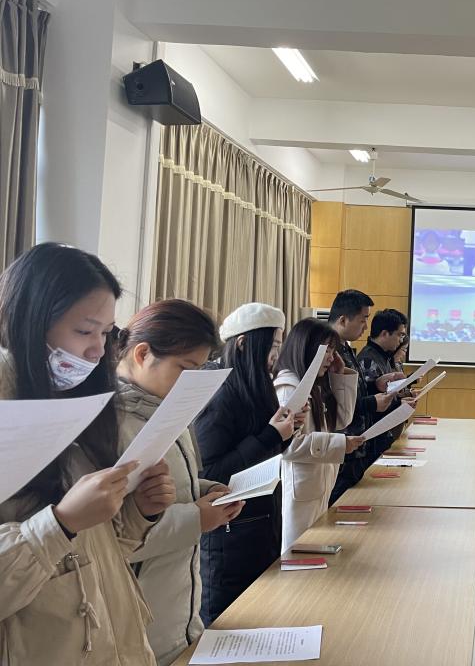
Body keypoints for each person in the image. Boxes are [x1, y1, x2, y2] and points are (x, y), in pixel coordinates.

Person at [0, 243, 175, 665]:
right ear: (29, 321)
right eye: (84, 331)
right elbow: (59, 537)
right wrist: (61, 522)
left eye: (106, 333)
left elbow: (98, 553)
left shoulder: (73, 410)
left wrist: (139, 511)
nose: (98, 351)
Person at [115, 299, 244, 665]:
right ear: (143, 354)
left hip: (181, 615)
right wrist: (197, 519)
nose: (192, 382)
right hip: (140, 627)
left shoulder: (167, 411)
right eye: (185, 368)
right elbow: (110, 539)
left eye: (199, 370)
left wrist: (205, 490)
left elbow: (169, 487)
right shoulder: (111, 425)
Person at [194, 303, 299, 625]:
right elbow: (209, 473)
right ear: (243, 344)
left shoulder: (255, 386)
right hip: (230, 536)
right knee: (226, 624)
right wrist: (270, 435)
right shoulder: (221, 393)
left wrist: (285, 432)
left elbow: (263, 454)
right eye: (272, 346)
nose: (276, 356)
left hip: (261, 525)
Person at [275, 318, 363, 553]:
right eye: (327, 351)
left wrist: (340, 375)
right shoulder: (289, 387)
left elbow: (342, 420)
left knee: (311, 547)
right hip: (301, 487)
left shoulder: (313, 383)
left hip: (318, 483)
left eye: (333, 351)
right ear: (307, 348)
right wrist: (340, 444)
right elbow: (288, 446)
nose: (331, 358)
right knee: (297, 552)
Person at [328, 290, 399, 502]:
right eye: (362, 320)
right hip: (341, 446)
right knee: (335, 507)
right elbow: (333, 403)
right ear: (343, 320)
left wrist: (374, 384)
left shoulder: (344, 348)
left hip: (355, 445)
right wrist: (371, 403)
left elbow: (351, 391)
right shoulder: (328, 351)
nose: (366, 327)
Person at [357, 309, 410, 459]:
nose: (401, 340)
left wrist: (403, 399)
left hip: (381, 435)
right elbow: (372, 404)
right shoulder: (369, 359)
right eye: (400, 335)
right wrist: (400, 403)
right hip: (370, 439)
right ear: (385, 333)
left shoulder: (384, 357)